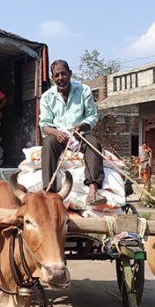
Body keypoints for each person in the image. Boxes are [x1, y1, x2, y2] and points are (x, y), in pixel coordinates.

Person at [39, 59, 105, 205]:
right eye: (57, 75)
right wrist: (56, 133)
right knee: (48, 143)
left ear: (70, 73)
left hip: (79, 134)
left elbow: (92, 116)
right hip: (59, 137)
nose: (60, 78)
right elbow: (44, 125)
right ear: (53, 78)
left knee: (93, 143)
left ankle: (93, 190)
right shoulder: (47, 97)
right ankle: (48, 190)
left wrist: (81, 127)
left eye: (63, 73)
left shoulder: (84, 90)